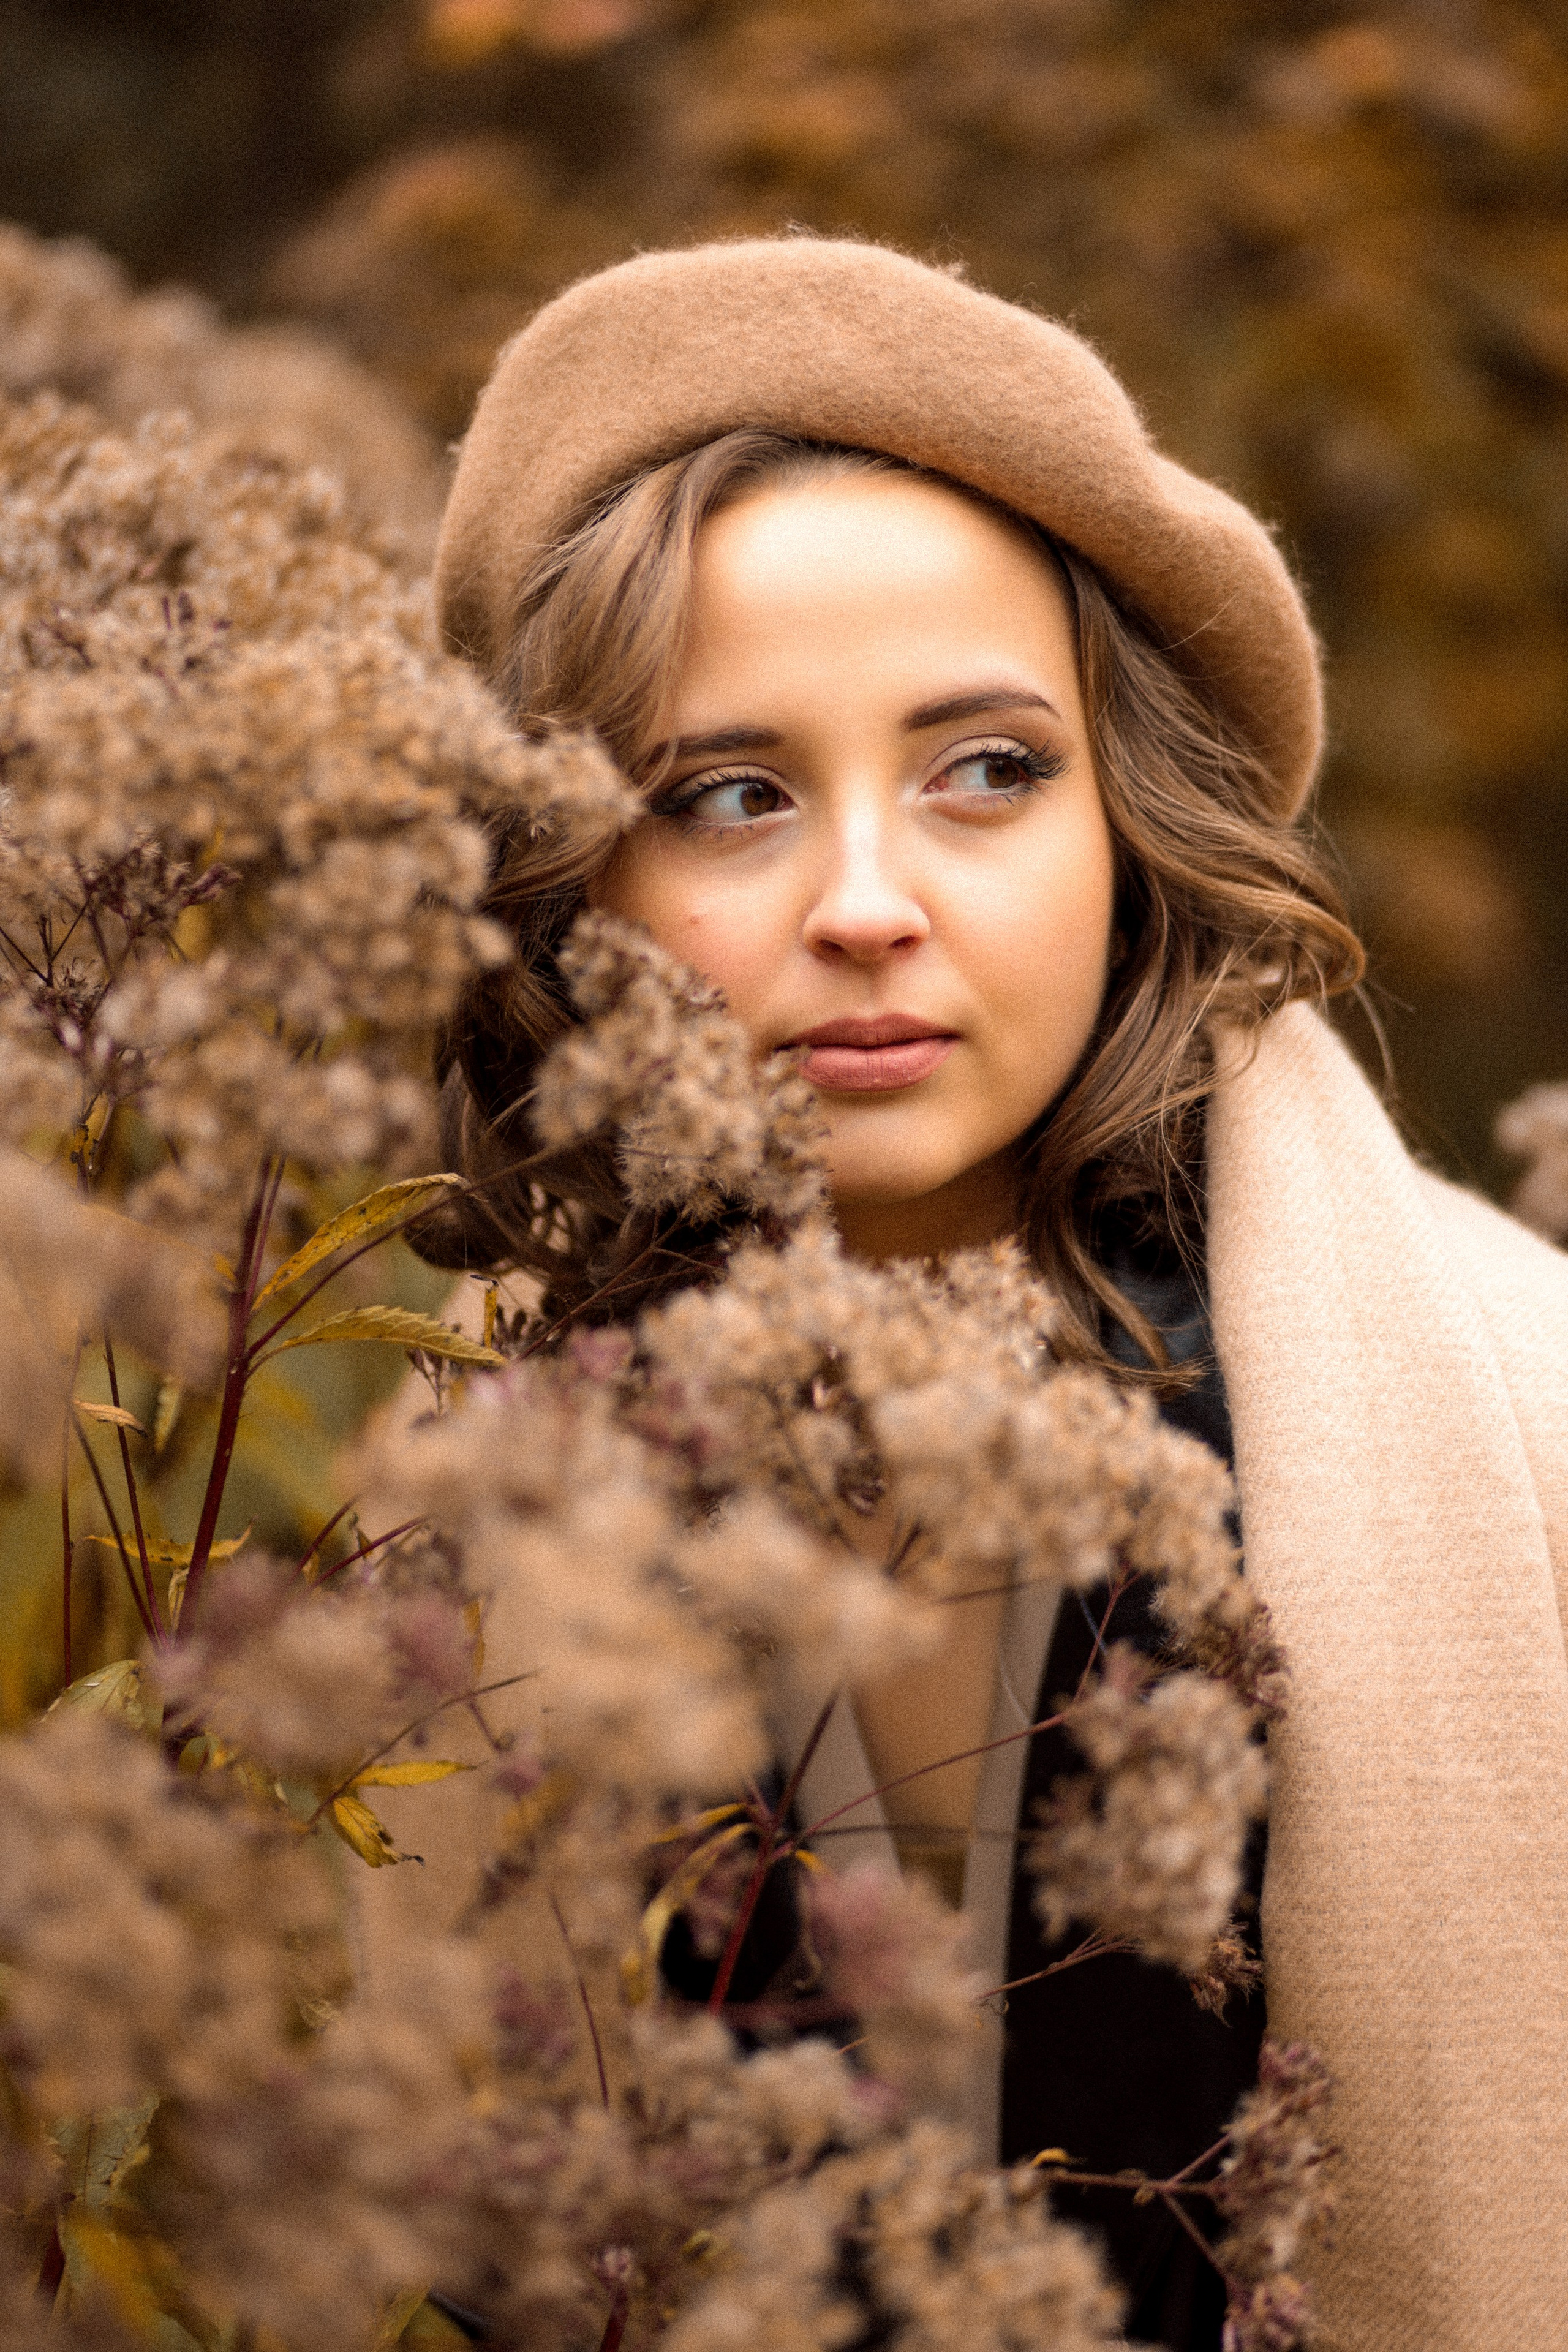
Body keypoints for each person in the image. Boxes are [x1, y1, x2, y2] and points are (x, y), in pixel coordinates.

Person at [418, 237, 1568, 2352]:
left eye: (989, 770)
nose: (868, 906)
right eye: (729, 798)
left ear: (1134, 820)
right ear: (569, 877)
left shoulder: (1532, 1438)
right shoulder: (411, 1507)